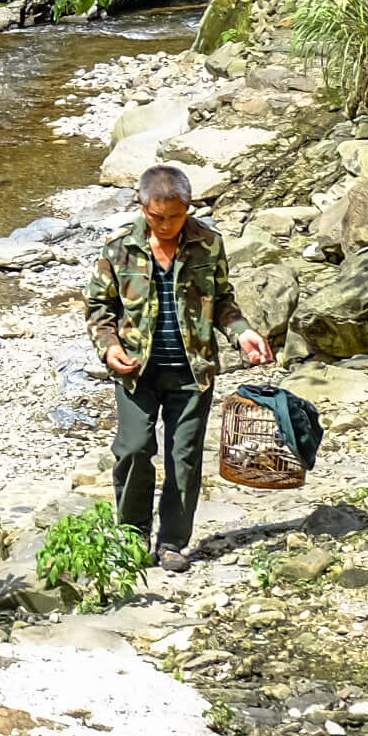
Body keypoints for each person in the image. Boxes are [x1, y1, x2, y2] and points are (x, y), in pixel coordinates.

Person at [81, 164, 269, 573]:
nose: (166, 225)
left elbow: (222, 301)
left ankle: (172, 543)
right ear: (142, 206)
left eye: (175, 216)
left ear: (188, 207)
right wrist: (109, 347)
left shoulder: (209, 244)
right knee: (133, 450)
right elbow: (99, 311)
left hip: (192, 372)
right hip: (136, 373)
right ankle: (132, 538)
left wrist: (242, 333)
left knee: (182, 458)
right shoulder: (117, 248)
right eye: (157, 216)